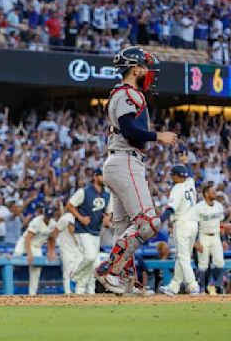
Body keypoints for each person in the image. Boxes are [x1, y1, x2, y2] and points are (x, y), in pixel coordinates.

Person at [94, 46, 178, 294]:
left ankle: (125, 281)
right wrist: (158, 135)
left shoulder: (121, 93)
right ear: (135, 69)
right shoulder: (129, 93)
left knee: (123, 229)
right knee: (149, 223)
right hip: (126, 161)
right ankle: (109, 270)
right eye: (145, 67)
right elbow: (130, 129)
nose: (149, 72)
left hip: (120, 161)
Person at [68, 168, 112, 295]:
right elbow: (70, 205)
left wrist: (107, 219)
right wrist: (80, 217)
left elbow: (109, 212)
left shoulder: (107, 194)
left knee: (92, 263)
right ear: (95, 177)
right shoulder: (84, 192)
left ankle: (80, 289)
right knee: (90, 256)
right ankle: (75, 275)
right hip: (82, 230)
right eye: (102, 175)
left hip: (96, 231)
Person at [158, 164, 200, 295]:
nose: (172, 177)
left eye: (173, 175)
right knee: (182, 257)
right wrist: (186, 163)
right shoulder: (190, 182)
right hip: (193, 224)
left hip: (182, 224)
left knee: (183, 257)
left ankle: (193, 286)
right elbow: (190, 175)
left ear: (176, 176)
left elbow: (170, 209)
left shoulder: (177, 188)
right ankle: (174, 287)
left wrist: (159, 221)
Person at [194, 184, 226, 295]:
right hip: (203, 235)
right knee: (203, 264)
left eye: (214, 191)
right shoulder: (199, 207)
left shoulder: (219, 206)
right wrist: (197, 241)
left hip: (216, 236)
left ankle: (212, 284)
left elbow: (221, 224)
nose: (215, 193)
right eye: (212, 192)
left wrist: (224, 239)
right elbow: (195, 225)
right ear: (206, 194)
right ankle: (202, 288)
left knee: (220, 263)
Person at [20, 204, 57, 295]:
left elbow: (51, 238)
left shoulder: (53, 223)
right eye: (47, 216)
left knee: (36, 268)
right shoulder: (36, 221)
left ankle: (32, 294)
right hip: (24, 242)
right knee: (14, 262)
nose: (48, 218)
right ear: (44, 214)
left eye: (50, 216)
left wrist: (51, 251)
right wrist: (29, 253)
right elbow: (28, 238)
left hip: (37, 246)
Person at [54, 210, 80, 294]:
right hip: (66, 249)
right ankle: (67, 292)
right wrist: (52, 249)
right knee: (67, 272)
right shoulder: (65, 218)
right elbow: (55, 232)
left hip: (77, 249)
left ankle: (78, 292)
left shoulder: (81, 217)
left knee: (78, 271)